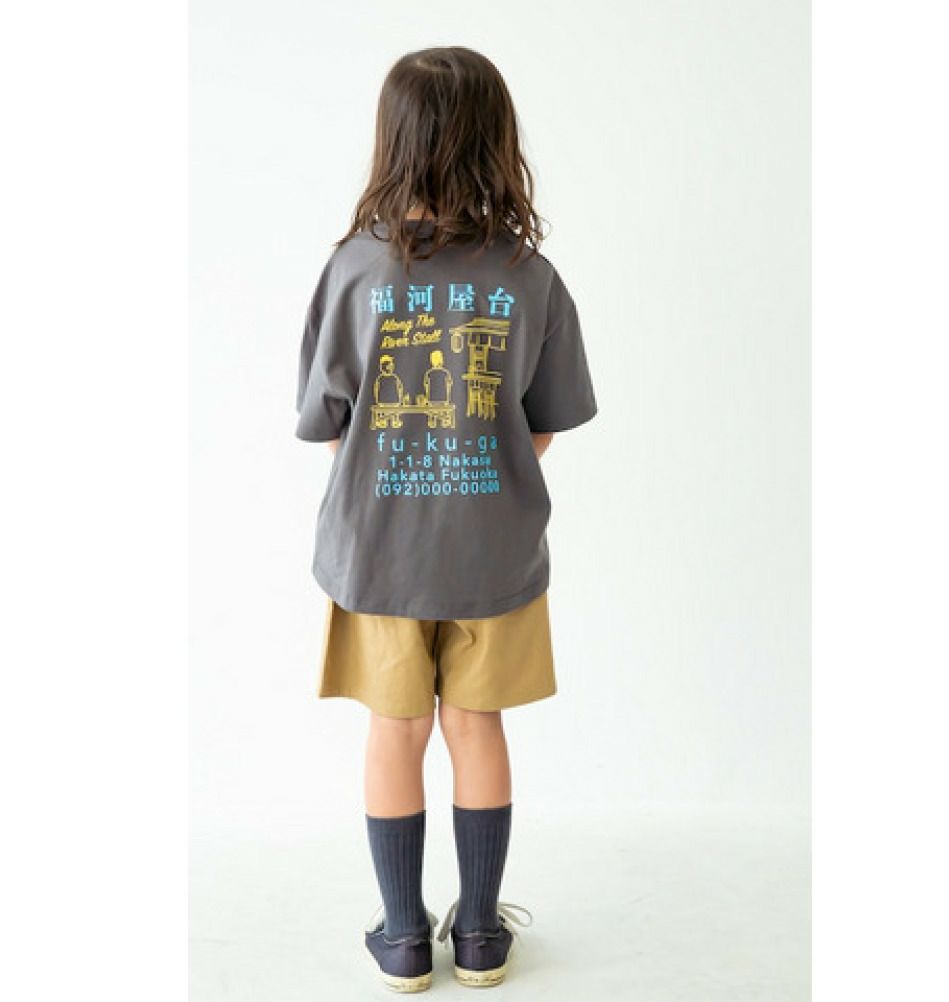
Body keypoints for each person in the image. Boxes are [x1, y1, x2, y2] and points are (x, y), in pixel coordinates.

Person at [295, 46, 598, 992]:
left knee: (396, 731)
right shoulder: (528, 277)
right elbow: (544, 424)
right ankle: (478, 935)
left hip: (380, 554)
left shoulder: (355, 269)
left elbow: (329, 423)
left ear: (393, 142)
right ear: (497, 144)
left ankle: (399, 937)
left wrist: (395, 470)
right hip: (493, 556)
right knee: (477, 725)